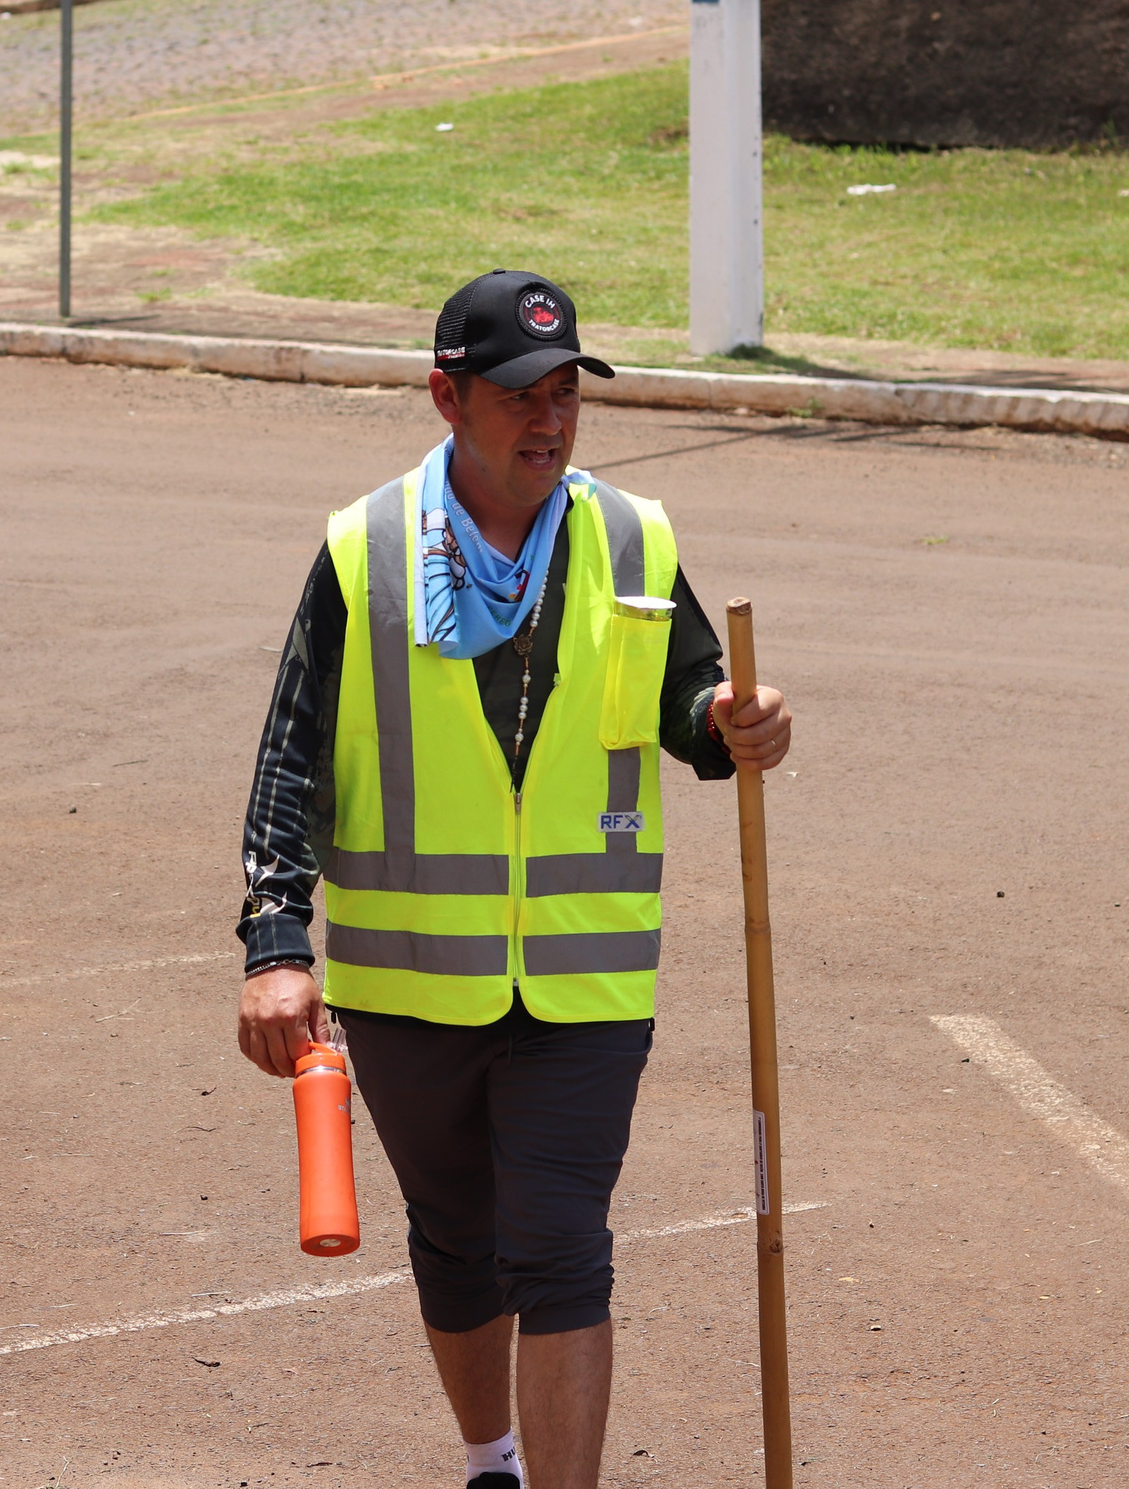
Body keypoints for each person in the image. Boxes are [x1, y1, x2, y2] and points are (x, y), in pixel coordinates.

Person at [235, 269, 793, 1489]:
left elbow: (687, 701)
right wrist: (275, 945)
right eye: (520, 396)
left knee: (560, 1250)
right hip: (408, 983)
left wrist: (731, 719)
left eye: (567, 394)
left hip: (585, 983)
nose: (549, 420)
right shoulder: (365, 550)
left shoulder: (629, 538)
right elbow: (291, 757)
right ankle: (490, 1460)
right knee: (457, 1246)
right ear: (449, 398)